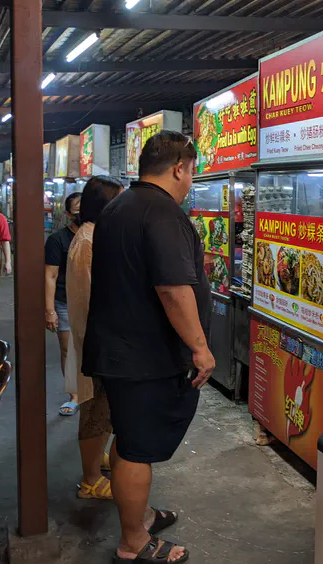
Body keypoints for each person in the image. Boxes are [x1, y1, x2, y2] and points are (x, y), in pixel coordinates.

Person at [84, 131, 214, 563]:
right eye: (192, 172)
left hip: (121, 350)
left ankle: (138, 519)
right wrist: (199, 347)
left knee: (128, 437)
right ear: (179, 167)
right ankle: (133, 542)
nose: (191, 181)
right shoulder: (163, 213)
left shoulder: (119, 206)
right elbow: (174, 290)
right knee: (138, 448)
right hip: (144, 356)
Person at [66, 177, 123, 500]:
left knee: (101, 410)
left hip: (94, 338)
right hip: (96, 341)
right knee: (94, 410)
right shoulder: (89, 242)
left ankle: (95, 459)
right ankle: (90, 480)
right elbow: (93, 298)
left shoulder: (90, 235)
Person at [45, 192, 82, 416]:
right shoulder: (57, 240)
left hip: (93, 303)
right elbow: (49, 276)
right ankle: (74, 396)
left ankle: (92, 392)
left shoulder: (100, 235)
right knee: (69, 351)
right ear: (68, 214)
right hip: (64, 302)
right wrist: (49, 311)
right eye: (78, 208)